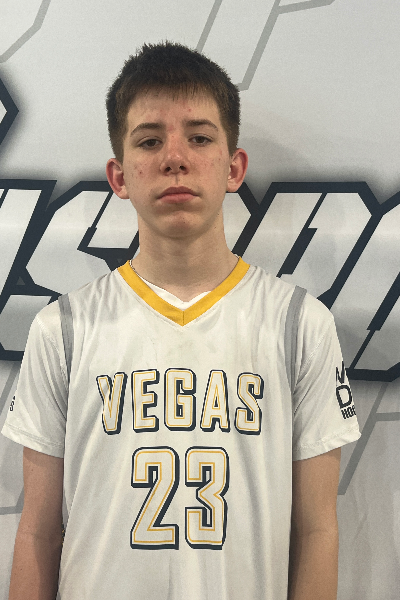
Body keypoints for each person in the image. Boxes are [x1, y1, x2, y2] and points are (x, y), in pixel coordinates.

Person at [2, 41, 360, 600]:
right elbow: (38, 534)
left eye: (199, 137)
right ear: (119, 176)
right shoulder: (63, 330)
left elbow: (317, 532)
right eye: (150, 140)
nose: (175, 158)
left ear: (234, 167)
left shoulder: (299, 325)